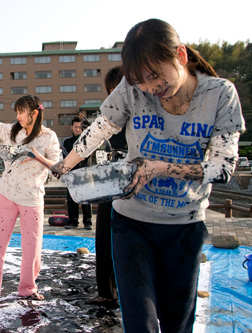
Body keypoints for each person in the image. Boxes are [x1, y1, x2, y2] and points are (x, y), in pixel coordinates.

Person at [52, 19, 244, 332]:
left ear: (180, 55)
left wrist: (159, 167)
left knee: (176, 323)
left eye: (155, 75)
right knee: (139, 324)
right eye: (140, 81)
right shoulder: (132, 90)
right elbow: (101, 128)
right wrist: (65, 165)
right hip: (132, 223)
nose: (150, 88)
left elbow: (223, 168)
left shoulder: (219, 95)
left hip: (184, 225)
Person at [0, 95, 60, 301]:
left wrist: (35, 155)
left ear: (34, 113)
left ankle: (28, 289)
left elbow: (57, 166)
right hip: (6, 192)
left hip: (32, 197)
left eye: (22, 112)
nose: (18, 116)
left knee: (32, 248)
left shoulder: (49, 136)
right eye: (17, 112)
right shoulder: (12, 131)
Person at [87, 65, 126, 309]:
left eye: (118, 89)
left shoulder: (142, 117)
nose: (114, 95)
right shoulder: (107, 117)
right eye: (110, 90)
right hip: (108, 186)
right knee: (103, 239)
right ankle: (107, 292)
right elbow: (90, 144)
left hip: (135, 189)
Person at [62, 116, 93, 230]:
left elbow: (87, 155)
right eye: (75, 127)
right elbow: (66, 156)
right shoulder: (66, 142)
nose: (78, 129)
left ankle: (88, 222)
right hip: (71, 174)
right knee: (71, 198)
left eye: (80, 127)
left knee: (86, 198)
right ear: (71, 127)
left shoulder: (88, 140)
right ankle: (72, 221)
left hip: (85, 173)